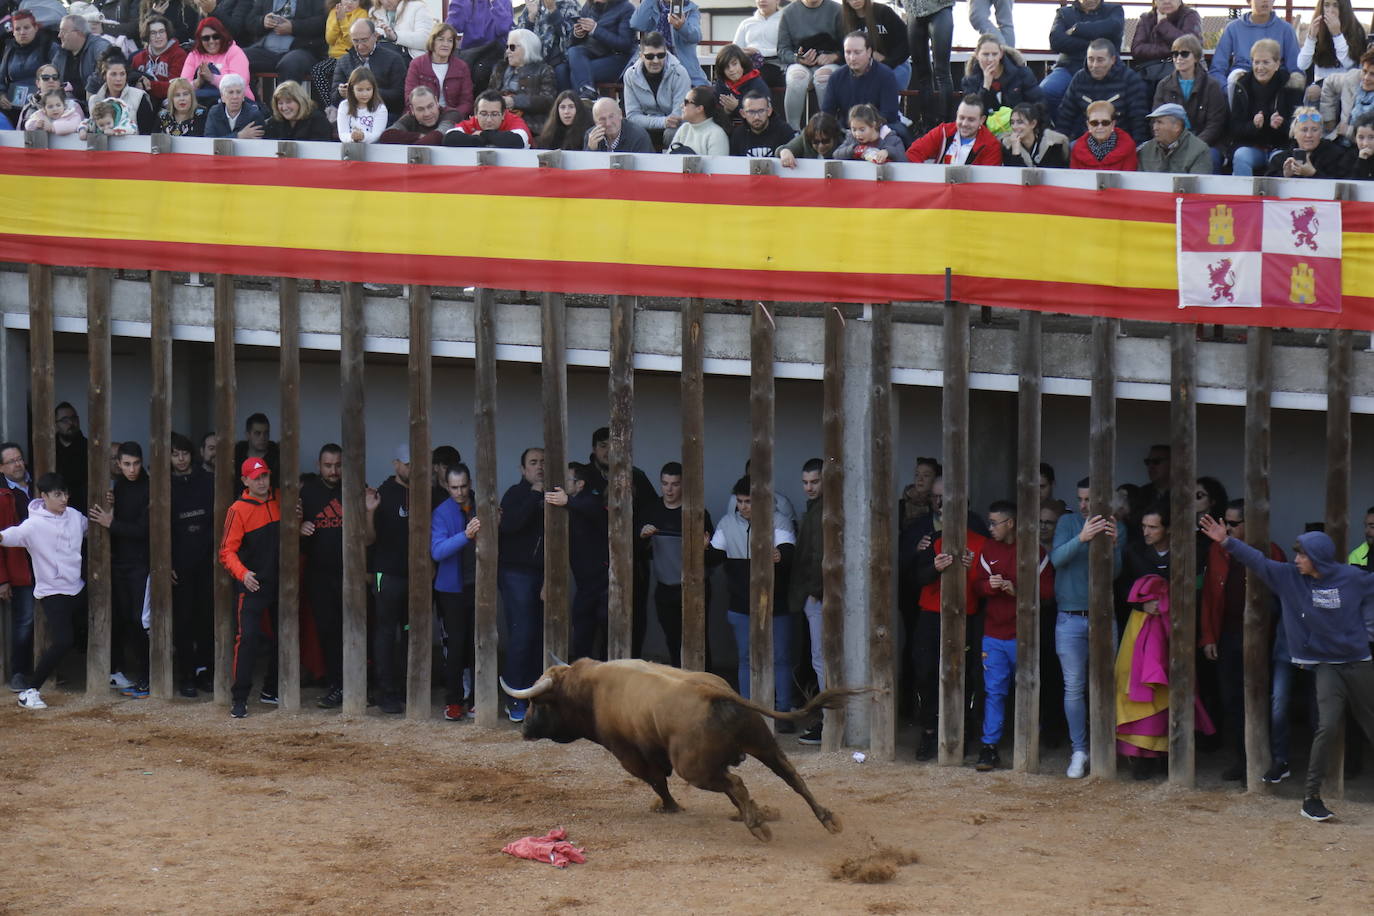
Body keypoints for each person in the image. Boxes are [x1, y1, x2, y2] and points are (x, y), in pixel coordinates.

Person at [1199, 517, 1374, 821]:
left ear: (1317, 557)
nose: (1296, 560)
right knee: (1327, 726)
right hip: (1326, 666)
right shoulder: (1289, 578)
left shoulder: (1351, 577)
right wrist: (1226, 541)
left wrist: (1368, 630)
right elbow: (1256, 559)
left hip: (1359, 662)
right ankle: (1311, 797)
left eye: (1303, 555)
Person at [1201, 500, 1286, 780]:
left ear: (1251, 525)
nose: (1226, 528)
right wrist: (1209, 636)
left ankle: (1268, 761)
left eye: (1233, 524)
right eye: (1225, 522)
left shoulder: (1272, 552)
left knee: (1264, 700)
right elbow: (1210, 598)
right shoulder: (1216, 549)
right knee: (1232, 700)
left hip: (1263, 638)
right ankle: (1243, 760)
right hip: (1228, 634)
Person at [1051, 478, 1124, 778]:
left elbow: (1116, 574)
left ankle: (1105, 746)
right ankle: (1079, 750)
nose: (1083, 505)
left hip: (1103, 616)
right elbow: (1056, 559)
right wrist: (1082, 537)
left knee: (1108, 684)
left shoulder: (1114, 524)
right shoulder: (1067, 522)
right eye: (1080, 499)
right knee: (1074, 687)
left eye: (1088, 500)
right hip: (1070, 617)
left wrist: (1115, 545)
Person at [973, 500, 1054, 771]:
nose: (991, 527)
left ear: (1010, 523)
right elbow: (977, 584)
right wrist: (991, 585)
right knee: (994, 691)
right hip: (993, 634)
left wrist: (1017, 589)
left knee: (1029, 689)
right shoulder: (988, 547)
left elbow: (1047, 593)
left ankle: (1029, 745)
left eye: (995, 523)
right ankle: (989, 747)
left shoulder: (1034, 552)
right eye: (990, 522)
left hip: (1024, 635)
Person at [910, 480, 988, 760]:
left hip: (968, 616)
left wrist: (974, 569)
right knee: (926, 674)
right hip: (931, 616)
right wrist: (935, 566)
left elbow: (988, 587)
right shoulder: (934, 541)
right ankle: (929, 732)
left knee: (966, 676)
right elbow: (917, 578)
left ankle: (962, 733)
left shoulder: (981, 543)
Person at [709, 475, 796, 723]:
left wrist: (780, 556)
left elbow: (789, 554)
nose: (744, 507)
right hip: (741, 602)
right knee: (746, 657)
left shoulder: (778, 520)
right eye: (740, 501)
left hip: (775, 602)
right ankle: (748, 709)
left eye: (749, 501)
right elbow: (714, 558)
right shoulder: (728, 523)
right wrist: (704, 549)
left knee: (779, 657)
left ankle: (784, 712)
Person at [2, 473, 89, 711]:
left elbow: (89, 529)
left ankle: (115, 673)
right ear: (44, 496)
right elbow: (11, 536)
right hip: (53, 592)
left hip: (77, 587)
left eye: (65, 493)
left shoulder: (74, 516)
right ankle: (30, 690)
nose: (64, 499)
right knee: (63, 641)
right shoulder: (33, 524)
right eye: (57, 494)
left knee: (94, 629)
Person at [219, 456, 282, 718]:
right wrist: (243, 575)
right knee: (247, 640)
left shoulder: (279, 498)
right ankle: (240, 698)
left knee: (284, 636)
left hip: (279, 583)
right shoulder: (238, 509)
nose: (262, 482)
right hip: (253, 585)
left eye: (265, 476)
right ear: (245, 480)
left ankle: (272, 687)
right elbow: (226, 552)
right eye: (256, 478)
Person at [88, 441, 152, 699]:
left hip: (139, 564)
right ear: (118, 464)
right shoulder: (120, 487)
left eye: (136, 463)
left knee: (141, 621)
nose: (132, 468)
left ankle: (148, 678)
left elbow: (143, 531)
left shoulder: (149, 488)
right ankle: (137, 676)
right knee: (126, 621)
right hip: (121, 563)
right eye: (126, 464)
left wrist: (110, 522)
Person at [639, 461, 712, 670]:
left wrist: (705, 547)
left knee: (698, 641)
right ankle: (680, 682)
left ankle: (703, 685)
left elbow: (715, 552)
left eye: (675, 484)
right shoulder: (651, 510)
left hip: (694, 588)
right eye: (665, 483)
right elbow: (635, 549)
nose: (669, 489)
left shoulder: (696, 512)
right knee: (672, 640)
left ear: (684, 486)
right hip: (664, 587)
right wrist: (643, 536)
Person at [498, 447, 545, 722]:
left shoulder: (551, 495)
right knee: (521, 634)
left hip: (541, 576)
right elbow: (510, 525)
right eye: (533, 462)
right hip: (516, 574)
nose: (539, 467)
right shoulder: (515, 495)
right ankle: (514, 697)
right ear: (522, 469)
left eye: (543, 462)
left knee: (538, 636)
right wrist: (534, 494)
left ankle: (533, 695)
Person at [431, 464, 480, 721]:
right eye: (454, 487)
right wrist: (465, 535)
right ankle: (453, 701)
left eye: (463, 486)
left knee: (477, 644)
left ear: (470, 483)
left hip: (478, 586)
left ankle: (475, 700)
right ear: (446, 486)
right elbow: (437, 551)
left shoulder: (481, 506)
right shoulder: (441, 512)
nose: (459, 492)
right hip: (451, 590)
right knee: (456, 646)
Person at [545, 463, 609, 660]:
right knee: (582, 630)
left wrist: (567, 502)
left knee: (607, 627)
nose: (562, 485)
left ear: (580, 484)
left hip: (602, 580)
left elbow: (593, 509)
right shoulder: (571, 505)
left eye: (567, 480)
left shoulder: (589, 501)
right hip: (584, 582)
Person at [299, 444, 346, 708]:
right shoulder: (309, 493)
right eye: (328, 465)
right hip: (319, 575)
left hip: (349, 574)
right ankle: (335, 685)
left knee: (353, 629)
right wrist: (299, 527)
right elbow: (292, 533)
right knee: (328, 631)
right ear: (319, 466)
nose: (333, 470)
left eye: (338, 465)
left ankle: (356, 684)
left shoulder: (354, 488)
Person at [169, 433, 215, 697]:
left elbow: (217, 521)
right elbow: (162, 528)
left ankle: (206, 672)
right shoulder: (164, 485)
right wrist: (169, 562)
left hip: (207, 560)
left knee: (207, 619)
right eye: (175, 454)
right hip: (181, 563)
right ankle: (186, 674)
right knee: (184, 621)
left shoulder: (208, 481)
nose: (181, 459)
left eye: (184, 453)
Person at [366, 444, 411, 715]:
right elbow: (368, 539)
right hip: (388, 575)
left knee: (410, 633)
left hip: (415, 576)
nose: (412, 468)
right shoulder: (383, 494)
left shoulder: (424, 493)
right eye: (408, 463)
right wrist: (370, 512)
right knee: (385, 633)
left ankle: (408, 687)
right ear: (396, 464)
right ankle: (385, 692)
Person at [788, 459, 826, 745]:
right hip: (814, 594)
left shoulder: (822, 511)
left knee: (821, 659)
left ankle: (827, 721)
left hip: (819, 595)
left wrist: (814, 588)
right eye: (805, 482)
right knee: (820, 659)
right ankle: (826, 718)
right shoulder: (816, 510)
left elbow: (818, 555)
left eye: (815, 481)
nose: (809, 487)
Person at [1152, 33, 1228, 171]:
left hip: (1206, 143)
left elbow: (1215, 124)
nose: (1179, 58)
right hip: (1171, 142)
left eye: (1184, 54)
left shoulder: (1212, 86)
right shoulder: (1163, 85)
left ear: (1196, 58)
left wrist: (1193, 145)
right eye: (1175, 54)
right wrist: (1173, 143)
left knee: (1210, 157)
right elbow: (1156, 119)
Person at [1230, 39, 1304, 176]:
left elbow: (1299, 128)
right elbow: (1234, 127)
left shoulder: (1291, 85)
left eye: (1266, 62)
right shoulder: (1241, 86)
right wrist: (1253, 126)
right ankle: (1243, 195)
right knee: (1241, 156)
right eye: (1256, 62)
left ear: (1277, 64)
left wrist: (1281, 125)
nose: (1260, 67)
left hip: (1281, 146)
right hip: (1253, 147)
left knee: (1281, 160)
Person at [1041, 0, 1125, 118]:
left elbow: (1113, 28)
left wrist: (1077, 29)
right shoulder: (1064, 13)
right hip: (1068, 67)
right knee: (1047, 91)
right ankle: (1061, 129)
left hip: (1106, 69)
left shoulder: (1114, 10)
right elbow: (1056, 42)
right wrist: (1093, 44)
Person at [1057, 38, 1148, 143]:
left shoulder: (1130, 79)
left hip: (1121, 143)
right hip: (1087, 143)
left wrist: (1135, 150)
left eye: (1100, 60)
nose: (1095, 65)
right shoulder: (1079, 79)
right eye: (1090, 59)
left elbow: (1139, 119)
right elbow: (1065, 115)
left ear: (1113, 60)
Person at [1, 444, 36, 693]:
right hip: (19, 568)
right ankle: (19, 673)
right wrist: (2, 579)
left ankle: (48, 669)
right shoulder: (3, 495)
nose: (17, 465)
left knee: (51, 620)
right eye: (11, 461)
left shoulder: (39, 487)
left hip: (46, 566)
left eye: (20, 459)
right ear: (1, 468)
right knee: (24, 621)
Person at [777, 0, 843, 130]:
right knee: (797, 78)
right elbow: (782, 50)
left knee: (823, 78)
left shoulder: (837, 10)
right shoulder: (788, 12)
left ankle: (829, 129)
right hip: (800, 61)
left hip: (829, 60)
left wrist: (834, 56)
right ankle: (793, 129)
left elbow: (847, 43)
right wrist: (798, 59)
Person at [622, 31, 692, 147]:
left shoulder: (680, 73)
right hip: (648, 126)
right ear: (641, 56)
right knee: (630, 132)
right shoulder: (630, 75)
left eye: (660, 55)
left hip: (673, 127)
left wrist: (665, 122)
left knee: (672, 133)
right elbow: (632, 116)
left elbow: (677, 118)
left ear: (666, 53)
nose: (656, 61)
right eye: (649, 56)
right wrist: (662, 122)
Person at [824, 31, 901, 133]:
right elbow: (827, 114)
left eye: (857, 52)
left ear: (869, 52)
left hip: (879, 131)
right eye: (848, 52)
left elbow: (889, 115)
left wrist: (863, 130)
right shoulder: (836, 77)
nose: (852, 58)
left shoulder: (886, 75)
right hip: (846, 132)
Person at [243, 0, 327, 90]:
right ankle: (252, 102)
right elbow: (250, 22)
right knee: (239, 57)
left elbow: (322, 22)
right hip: (266, 50)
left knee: (290, 64)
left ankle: (285, 103)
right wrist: (262, 21)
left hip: (301, 50)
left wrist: (293, 27)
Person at [1210, 0, 1300, 83]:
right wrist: (1226, 90)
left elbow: (1295, 67)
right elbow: (1218, 67)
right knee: (1235, 76)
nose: (1265, 1)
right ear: (1249, 1)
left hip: (1274, 79)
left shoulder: (1286, 29)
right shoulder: (1232, 28)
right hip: (1241, 80)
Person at [489, 28, 557, 136]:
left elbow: (548, 101)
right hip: (499, 121)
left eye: (512, 47)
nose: (508, 51)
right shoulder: (500, 68)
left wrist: (514, 101)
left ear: (527, 48)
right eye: (507, 47)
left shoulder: (544, 70)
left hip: (529, 125)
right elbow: (489, 94)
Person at [331, 18, 406, 116]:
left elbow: (399, 96)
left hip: (387, 113)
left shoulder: (394, 59)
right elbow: (334, 98)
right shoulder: (343, 61)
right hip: (354, 115)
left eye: (364, 40)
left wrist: (367, 92)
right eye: (356, 41)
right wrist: (341, 92)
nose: (360, 46)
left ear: (375, 36)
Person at [564, 0, 634, 100]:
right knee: (574, 51)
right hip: (594, 53)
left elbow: (625, 44)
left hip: (618, 59)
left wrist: (596, 29)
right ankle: (588, 95)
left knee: (578, 72)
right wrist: (578, 34)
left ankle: (586, 105)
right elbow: (573, 43)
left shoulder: (626, 8)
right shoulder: (588, 6)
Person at [904, 0, 956, 132]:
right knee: (922, 74)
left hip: (940, 7)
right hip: (912, 10)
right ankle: (927, 124)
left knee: (942, 72)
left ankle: (946, 125)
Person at [961, 33, 1043, 117]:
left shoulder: (1022, 74)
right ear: (977, 55)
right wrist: (985, 87)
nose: (990, 59)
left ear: (1001, 54)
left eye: (994, 54)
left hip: (1018, 127)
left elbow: (1038, 105)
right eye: (985, 54)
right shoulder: (970, 81)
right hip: (986, 128)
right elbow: (971, 114)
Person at [905, 94, 1001, 165]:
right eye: (961, 117)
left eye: (971, 120)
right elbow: (913, 153)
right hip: (940, 188)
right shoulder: (943, 131)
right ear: (957, 114)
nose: (964, 124)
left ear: (982, 120)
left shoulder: (991, 145)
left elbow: (988, 181)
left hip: (971, 191)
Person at [630, 0, 708, 87]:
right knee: (633, 79)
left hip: (683, 67)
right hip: (654, 63)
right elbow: (636, 24)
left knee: (702, 94)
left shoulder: (690, 9)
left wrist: (682, 27)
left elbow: (696, 37)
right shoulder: (652, 6)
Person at [179, 16, 252, 106]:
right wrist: (198, 82)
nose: (211, 41)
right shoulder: (194, 55)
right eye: (206, 38)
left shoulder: (234, 51)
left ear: (222, 36)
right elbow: (181, 87)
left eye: (216, 37)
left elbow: (241, 83)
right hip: (200, 104)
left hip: (234, 104)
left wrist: (212, 78)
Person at [403, 23, 472, 118]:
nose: (445, 44)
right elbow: (409, 97)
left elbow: (467, 102)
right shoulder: (417, 64)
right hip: (422, 116)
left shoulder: (461, 67)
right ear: (432, 41)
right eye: (441, 39)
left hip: (451, 117)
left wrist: (452, 115)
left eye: (450, 41)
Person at [840, 0, 910, 92]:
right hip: (862, 67)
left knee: (883, 82)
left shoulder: (884, 12)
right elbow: (844, 51)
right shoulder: (844, 20)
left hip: (895, 65)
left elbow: (906, 44)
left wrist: (886, 62)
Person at [1267, 104, 1354, 176]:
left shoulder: (1337, 156)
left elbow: (1341, 188)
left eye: (1314, 130)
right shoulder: (1280, 159)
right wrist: (1285, 176)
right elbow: (1266, 190)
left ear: (1321, 133)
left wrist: (1313, 174)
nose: (1309, 135)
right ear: (1294, 133)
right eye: (1304, 130)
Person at [445, 0, 514, 90]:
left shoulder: (503, 1)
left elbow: (503, 28)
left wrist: (495, 2)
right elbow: (454, 26)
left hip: (493, 55)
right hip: (470, 55)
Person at [1130, 0, 1202, 85]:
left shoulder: (1190, 16)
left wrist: (1163, 24)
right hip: (1149, 73)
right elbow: (1137, 49)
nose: (1167, 1)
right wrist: (1171, 50)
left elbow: (1190, 46)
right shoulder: (1146, 19)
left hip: (1182, 71)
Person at [0, 10, 56, 115]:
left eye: (26, 28)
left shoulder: (49, 46)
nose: (22, 32)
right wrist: (1, 95)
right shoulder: (9, 49)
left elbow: (60, 77)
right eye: (17, 29)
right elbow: (1, 78)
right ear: (13, 32)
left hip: (42, 106)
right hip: (11, 106)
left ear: (35, 28)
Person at [89, 52, 159, 133]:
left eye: (122, 74)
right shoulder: (94, 100)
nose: (118, 79)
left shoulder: (139, 97)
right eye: (113, 74)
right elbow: (91, 129)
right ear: (104, 75)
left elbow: (147, 133)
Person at [515, 0, 583, 83]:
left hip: (561, 62)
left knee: (561, 71)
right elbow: (519, 41)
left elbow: (572, 37)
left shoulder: (569, 3)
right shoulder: (529, 8)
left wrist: (553, 10)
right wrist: (531, 18)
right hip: (535, 65)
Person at [53, 14, 113, 106]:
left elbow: (109, 63)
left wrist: (91, 87)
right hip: (63, 106)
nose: (59, 35)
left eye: (63, 31)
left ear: (79, 33)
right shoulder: (62, 53)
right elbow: (51, 73)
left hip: (96, 106)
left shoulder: (99, 45)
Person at [1137, 101, 1211, 172]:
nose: (1155, 128)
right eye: (1154, 122)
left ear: (1177, 127)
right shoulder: (1146, 150)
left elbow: (1198, 183)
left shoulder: (1199, 150)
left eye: (1159, 122)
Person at [129, 15, 187, 105]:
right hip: (142, 102)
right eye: (153, 33)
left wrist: (149, 85)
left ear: (167, 33)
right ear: (148, 36)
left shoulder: (179, 54)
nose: (158, 36)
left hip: (168, 103)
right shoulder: (138, 58)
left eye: (162, 32)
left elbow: (175, 87)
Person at [443, 88, 533, 147]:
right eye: (483, 114)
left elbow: (518, 141)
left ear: (503, 114)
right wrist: (479, 140)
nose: (489, 120)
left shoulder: (515, 121)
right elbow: (449, 138)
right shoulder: (472, 123)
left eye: (494, 114)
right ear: (476, 114)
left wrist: (483, 134)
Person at [378, 84, 462, 142]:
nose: (427, 113)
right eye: (420, 109)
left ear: (437, 102)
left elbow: (437, 137)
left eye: (430, 106)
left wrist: (408, 139)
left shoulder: (451, 114)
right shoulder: (410, 118)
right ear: (412, 110)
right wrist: (418, 136)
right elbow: (386, 135)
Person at [1070, 98, 1138, 170]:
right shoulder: (1077, 149)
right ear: (1088, 125)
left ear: (1113, 124)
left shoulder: (1128, 147)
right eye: (1094, 123)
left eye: (1105, 123)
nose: (1100, 127)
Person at [733, 0, 786, 89]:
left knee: (756, 77)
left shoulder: (785, 22)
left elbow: (788, 50)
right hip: (748, 66)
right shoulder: (746, 23)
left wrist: (758, 52)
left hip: (776, 66)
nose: (762, 0)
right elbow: (735, 49)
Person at [714, 44, 770, 124]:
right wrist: (726, 111)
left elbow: (763, 116)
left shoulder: (757, 84)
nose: (731, 70)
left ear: (742, 63)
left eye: (734, 64)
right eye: (726, 67)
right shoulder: (721, 84)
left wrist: (737, 107)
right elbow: (716, 115)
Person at [730, 88, 795, 157]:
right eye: (751, 112)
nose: (756, 117)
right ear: (743, 113)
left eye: (761, 111)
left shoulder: (784, 131)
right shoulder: (738, 135)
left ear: (769, 111)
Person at [1002, 100, 1069, 167]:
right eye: (1012, 122)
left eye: (1020, 122)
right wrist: (1016, 151)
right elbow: (1014, 175)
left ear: (1033, 124)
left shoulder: (1053, 144)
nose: (1014, 127)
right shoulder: (1008, 145)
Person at [834, 101, 907, 161]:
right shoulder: (851, 139)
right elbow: (836, 154)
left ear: (873, 125)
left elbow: (903, 158)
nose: (857, 134)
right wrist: (853, 150)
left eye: (862, 130)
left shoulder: (891, 139)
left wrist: (888, 152)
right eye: (854, 129)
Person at [669, 84, 730, 155]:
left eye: (686, 102)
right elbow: (669, 159)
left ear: (699, 108)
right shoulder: (684, 128)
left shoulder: (716, 134)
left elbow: (718, 165)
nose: (681, 105)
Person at [263, 78, 333, 138]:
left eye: (288, 102)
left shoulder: (318, 121)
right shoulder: (273, 123)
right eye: (280, 103)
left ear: (300, 101)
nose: (284, 108)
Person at [371, 0, 437, 60]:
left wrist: (395, 36)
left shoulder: (418, 7)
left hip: (412, 60)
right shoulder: (375, 12)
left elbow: (426, 40)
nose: (386, 1)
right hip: (384, 60)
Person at [585, 94, 653, 151]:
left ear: (620, 114)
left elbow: (645, 166)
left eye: (611, 116)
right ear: (595, 121)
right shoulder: (591, 136)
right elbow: (586, 165)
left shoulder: (638, 136)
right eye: (602, 119)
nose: (608, 123)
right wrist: (590, 149)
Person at [337, 65, 387, 141]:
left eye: (368, 89)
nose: (364, 94)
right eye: (360, 90)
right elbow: (343, 133)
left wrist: (363, 137)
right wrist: (352, 137)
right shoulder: (344, 106)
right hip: (350, 149)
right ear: (352, 89)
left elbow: (377, 134)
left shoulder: (380, 108)